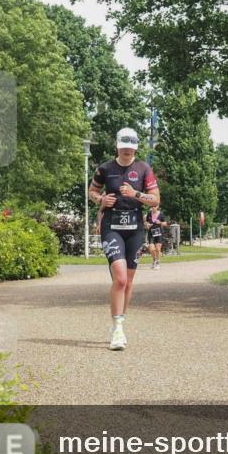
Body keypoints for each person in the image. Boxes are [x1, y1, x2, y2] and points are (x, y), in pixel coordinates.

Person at [88, 127, 160, 350]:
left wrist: (135, 194)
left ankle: (119, 322)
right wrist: (101, 199)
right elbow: (92, 191)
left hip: (135, 228)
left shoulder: (143, 169)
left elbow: (155, 200)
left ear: (136, 148)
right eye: (124, 148)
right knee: (119, 278)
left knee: (128, 281)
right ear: (117, 147)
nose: (128, 152)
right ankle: (117, 329)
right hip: (112, 226)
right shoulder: (105, 168)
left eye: (131, 148)